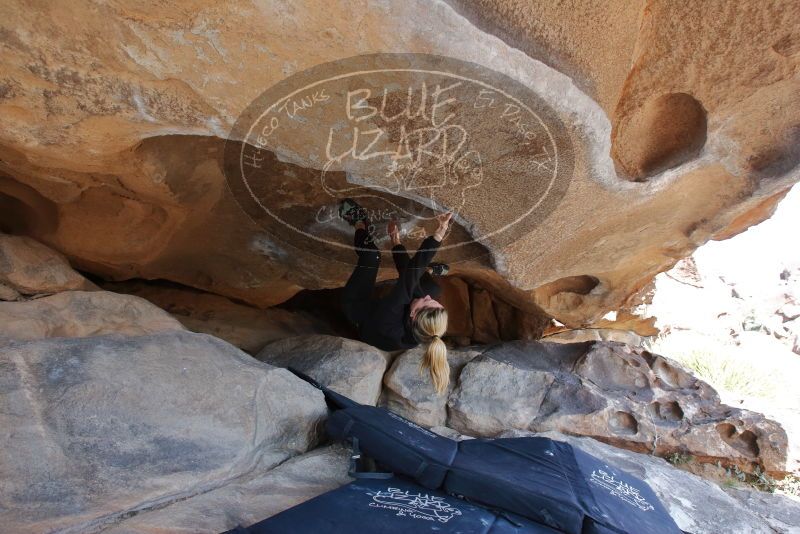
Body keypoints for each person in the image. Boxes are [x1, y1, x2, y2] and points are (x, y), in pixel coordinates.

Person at [340, 199, 452, 394]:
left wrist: (438, 235)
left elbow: (409, 277)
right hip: (390, 320)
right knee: (432, 289)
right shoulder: (424, 327)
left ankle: (358, 222)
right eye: (436, 304)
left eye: (426, 303)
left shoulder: (391, 316)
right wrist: (396, 242)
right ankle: (429, 270)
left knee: (372, 256)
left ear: (413, 315)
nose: (427, 299)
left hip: (361, 313)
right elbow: (411, 277)